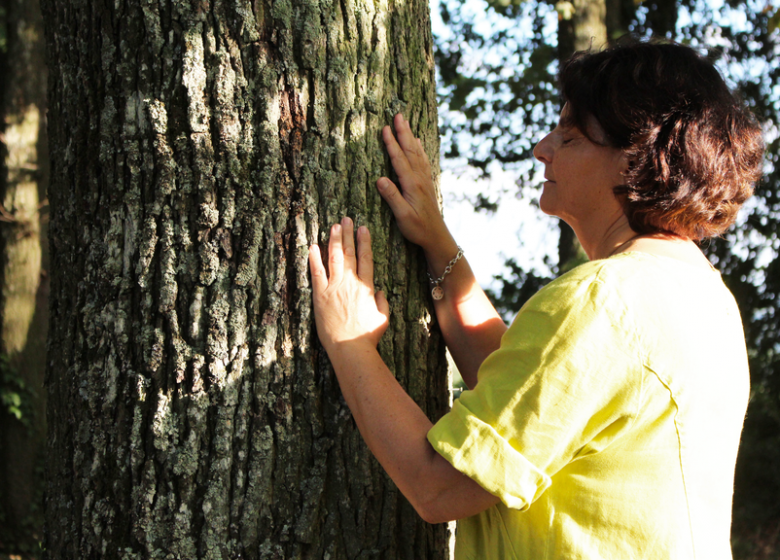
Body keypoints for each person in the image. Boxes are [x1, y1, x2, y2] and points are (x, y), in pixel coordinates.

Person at [308, 40, 764, 559]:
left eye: (569, 137)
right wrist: (438, 244)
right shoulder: (698, 293)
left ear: (635, 157)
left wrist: (349, 343)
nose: (542, 147)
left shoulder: (600, 302)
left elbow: (438, 485)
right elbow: (529, 401)